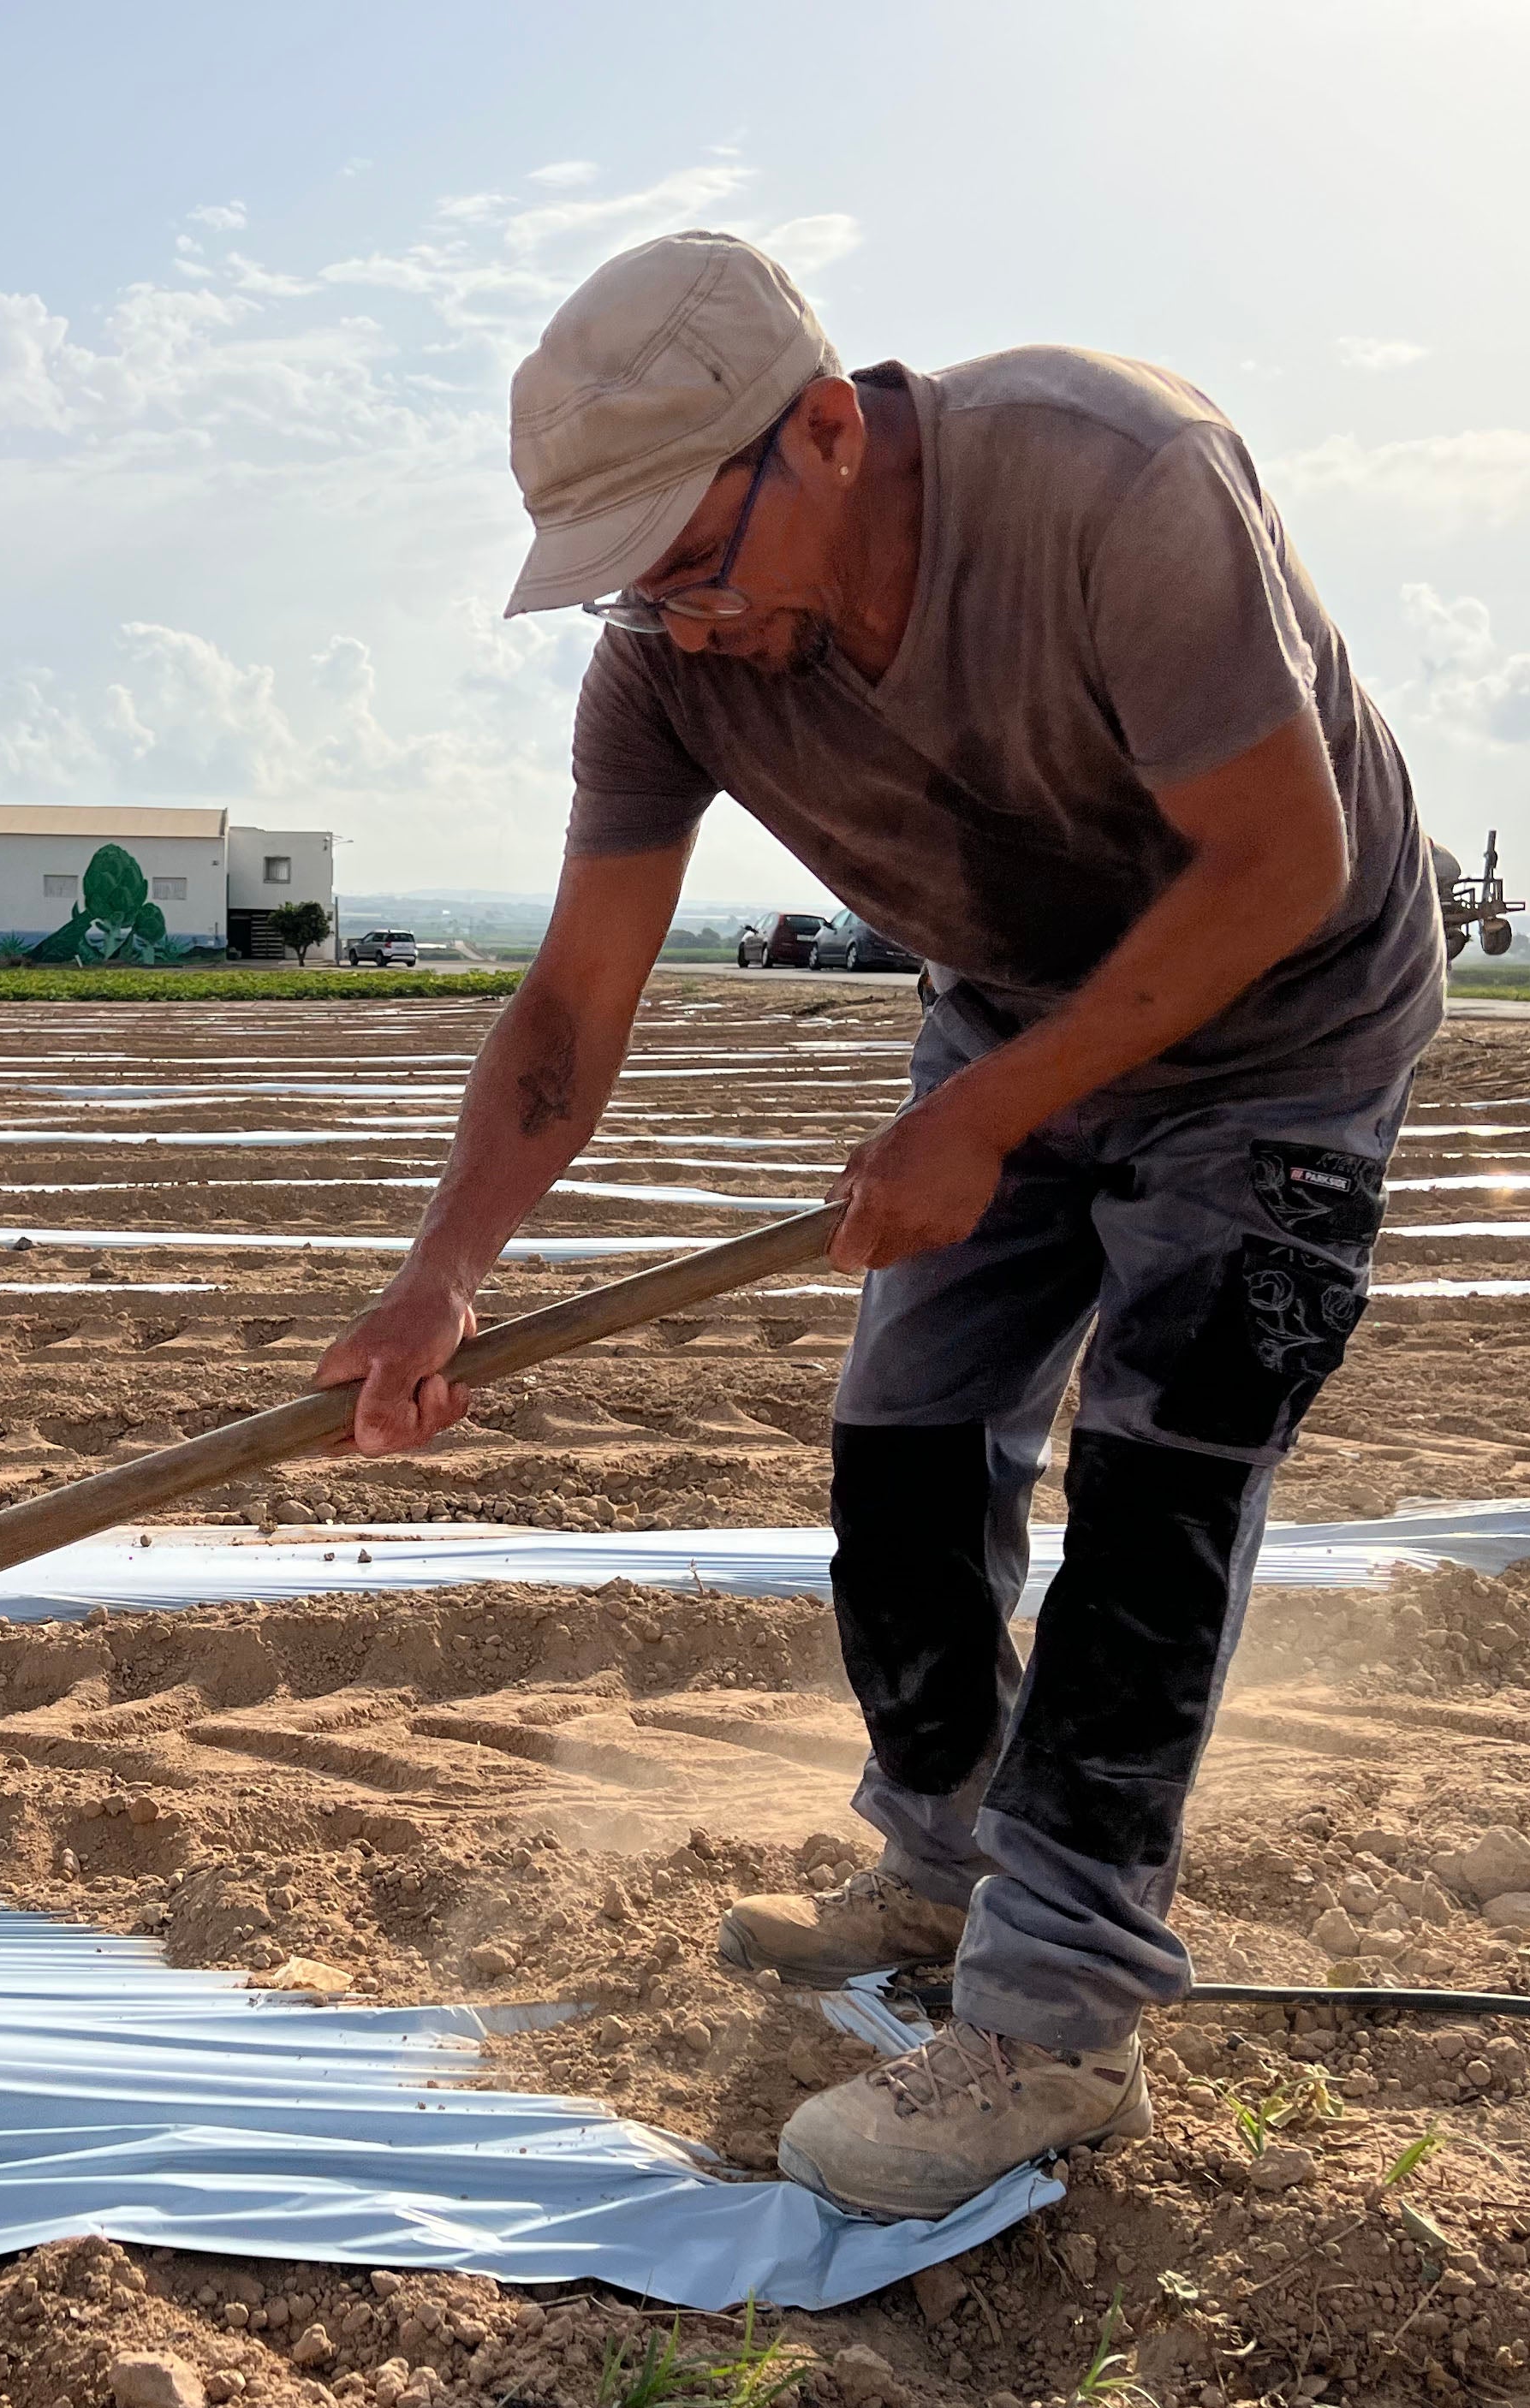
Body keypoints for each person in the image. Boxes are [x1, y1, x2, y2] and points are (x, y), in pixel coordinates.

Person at [315, 230, 1443, 2220]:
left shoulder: (1116, 482)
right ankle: (943, 1860)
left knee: (1161, 1486)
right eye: (624, 582)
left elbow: (1281, 862)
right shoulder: (671, 671)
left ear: (823, 432)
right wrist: (446, 1264)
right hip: (1012, 1012)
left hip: (1282, 1025)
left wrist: (987, 1123)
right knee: (903, 1444)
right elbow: (572, 1005)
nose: (666, 616)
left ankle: (1060, 2021)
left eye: (684, 556)